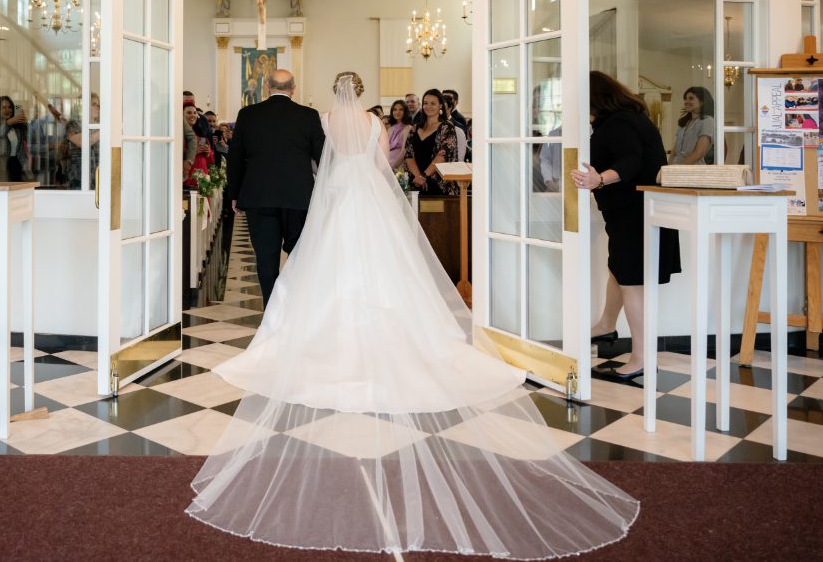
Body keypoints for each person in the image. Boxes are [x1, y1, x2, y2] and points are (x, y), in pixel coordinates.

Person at [188, 71, 639, 557]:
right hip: (369, 203)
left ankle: (306, 330)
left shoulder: (324, 119)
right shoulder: (373, 124)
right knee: (384, 267)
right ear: (360, 92)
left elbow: (323, 162)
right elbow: (383, 164)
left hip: (335, 199)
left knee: (316, 267)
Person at [571, 71, 682, 379]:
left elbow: (630, 161)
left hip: (636, 213)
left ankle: (642, 359)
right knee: (619, 270)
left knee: (631, 282)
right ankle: (607, 324)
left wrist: (599, 179)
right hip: (638, 211)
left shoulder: (619, 122)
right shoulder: (628, 118)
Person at [227, 69, 324, 305]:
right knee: (298, 255)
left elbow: (235, 157)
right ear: (293, 88)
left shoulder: (248, 114)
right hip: (299, 197)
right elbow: (322, 157)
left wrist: (235, 195)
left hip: (259, 197)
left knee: (266, 258)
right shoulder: (308, 115)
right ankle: (295, 307)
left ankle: (271, 310)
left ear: (267, 88)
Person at [404, 89, 458, 195]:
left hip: (438, 184)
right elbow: (409, 155)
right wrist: (417, 177)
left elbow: (442, 156)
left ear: (441, 106)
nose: (428, 106)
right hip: (415, 182)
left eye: (433, 103)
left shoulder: (447, 127)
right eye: (425, 103)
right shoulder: (415, 127)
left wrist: (424, 176)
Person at [670, 86, 714, 165]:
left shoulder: (707, 121)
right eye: (685, 99)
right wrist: (669, 167)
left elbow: (699, 152)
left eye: (691, 98)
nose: (686, 101)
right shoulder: (684, 122)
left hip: (693, 170)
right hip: (676, 169)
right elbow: (674, 151)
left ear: (702, 101)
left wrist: (679, 167)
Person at [386, 98, 412, 170]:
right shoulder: (390, 129)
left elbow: (404, 151)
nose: (397, 112)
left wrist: (393, 167)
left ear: (405, 112)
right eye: (395, 109)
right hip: (387, 162)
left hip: (400, 164)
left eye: (401, 109)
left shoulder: (408, 128)